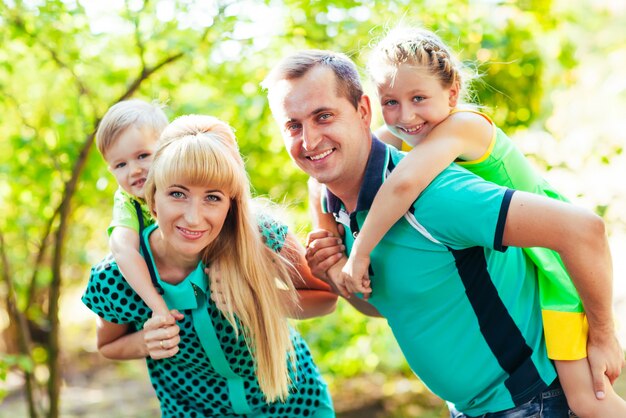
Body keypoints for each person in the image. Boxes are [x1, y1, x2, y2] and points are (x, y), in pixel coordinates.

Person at [262, 49, 625, 417]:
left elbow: (583, 230)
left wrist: (603, 333)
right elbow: (387, 306)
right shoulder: (340, 210)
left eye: (323, 116)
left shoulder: (434, 195)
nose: (309, 140)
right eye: (293, 125)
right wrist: (337, 276)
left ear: (363, 111)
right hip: (469, 409)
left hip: (532, 401)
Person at [83, 114, 337, 417]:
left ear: (230, 204)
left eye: (213, 197)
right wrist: (144, 342)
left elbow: (326, 299)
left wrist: (258, 297)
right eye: (177, 194)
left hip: (295, 404)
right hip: (194, 410)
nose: (193, 217)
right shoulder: (115, 278)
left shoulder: (260, 234)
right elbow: (108, 346)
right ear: (152, 200)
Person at [95, 99, 173, 324]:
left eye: (142, 156)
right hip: (157, 289)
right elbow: (123, 248)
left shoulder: (182, 178)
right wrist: (157, 307)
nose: (134, 170)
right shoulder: (127, 201)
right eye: (120, 165)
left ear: (167, 147)